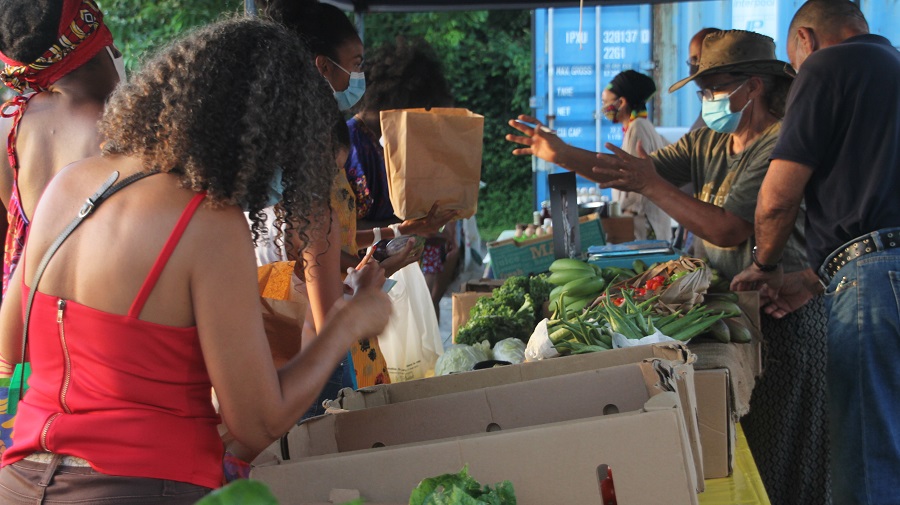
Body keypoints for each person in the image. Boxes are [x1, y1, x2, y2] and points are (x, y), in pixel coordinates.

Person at [0, 17, 391, 503]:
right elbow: (258, 421)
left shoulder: (68, 185)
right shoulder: (207, 222)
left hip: (19, 480)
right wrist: (344, 323)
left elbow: (11, 343)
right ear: (256, 139)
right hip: (139, 486)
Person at [507, 30, 831, 505]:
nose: (707, 100)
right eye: (703, 91)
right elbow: (630, 171)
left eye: (714, 88)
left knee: (781, 457)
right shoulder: (710, 141)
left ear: (753, 86)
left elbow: (728, 228)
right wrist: (561, 153)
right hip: (732, 311)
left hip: (782, 316)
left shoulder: (778, 144)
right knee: (741, 448)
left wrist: (651, 187)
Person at [731, 1, 900, 503]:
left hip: (872, 290)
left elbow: (778, 198)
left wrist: (763, 265)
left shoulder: (828, 66)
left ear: (805, 39)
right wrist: (810, 279)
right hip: (878, 272)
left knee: (866, 463)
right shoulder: (891, 68)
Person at [0, 0, 124, 299]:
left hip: (28, 319)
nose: (119, 55)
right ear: (99, 48)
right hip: (94, 319)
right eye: (114, 48)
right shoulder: (124, 135)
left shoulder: (9, 127)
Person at [347, 37, 460, 318]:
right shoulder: (347, 145)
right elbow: (342, 231)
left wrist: (426, 231)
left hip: (395, 274)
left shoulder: (400, 142)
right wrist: (407, 228)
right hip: (352, 284)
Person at [601, 70, 672, 242]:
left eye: (605, 102)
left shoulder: (637, 129)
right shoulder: (642, 126)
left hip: (643, 227)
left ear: (622, 102)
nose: (603, 108)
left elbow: (636, 182)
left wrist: (625, 217)